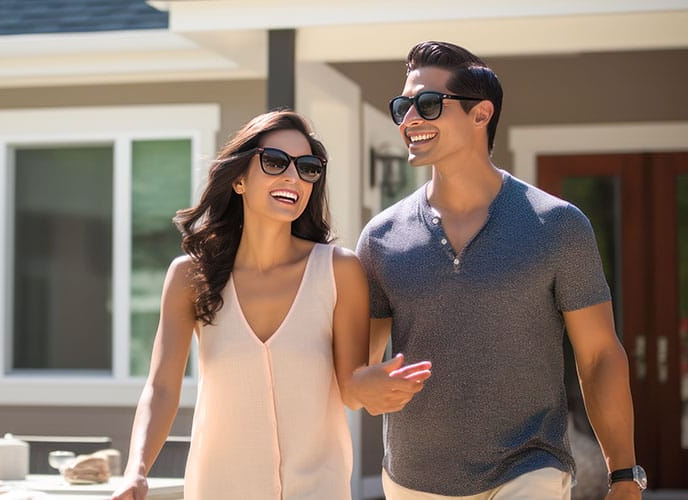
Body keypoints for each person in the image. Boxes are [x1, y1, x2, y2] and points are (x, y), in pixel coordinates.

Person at [352, 40, 642, 499]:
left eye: (427, 104)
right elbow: (358, 366)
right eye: (402, 107)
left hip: (530, 468)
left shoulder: (557, 225)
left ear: (481, 114)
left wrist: (624, 475)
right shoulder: (381, 238)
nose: (409, 120)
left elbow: (600, 356)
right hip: (414, 480)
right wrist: (364, 386)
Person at [110, 109, 430, 500]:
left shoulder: (338, 270)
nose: (293, 178)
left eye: (308, 168)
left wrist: (375, 385)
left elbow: (350, 386)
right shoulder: (189, 277)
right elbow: (161, 388)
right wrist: (136, 471)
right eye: (276, 163)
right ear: (240, 179)